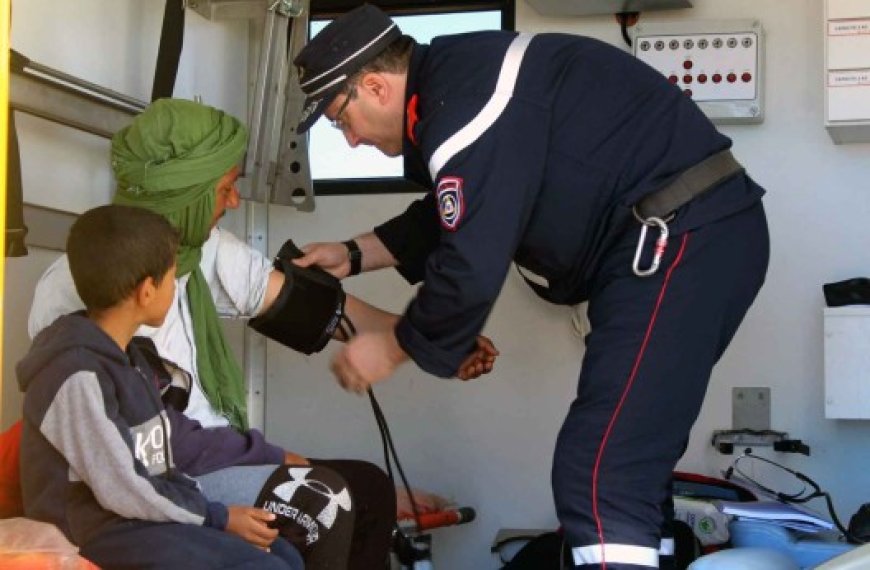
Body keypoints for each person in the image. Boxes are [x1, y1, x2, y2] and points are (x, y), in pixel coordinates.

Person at [290, 5, 770, 570]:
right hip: (694, 237)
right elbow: (458, 208)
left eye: (340, 119)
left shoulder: (465, 105)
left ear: (373, 86)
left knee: (601, 469)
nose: (348, 141)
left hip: (677, 239)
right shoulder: (461, 82)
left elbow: (471, 257)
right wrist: (350, 255)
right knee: (632, 466)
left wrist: (392, 346)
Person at [28, 98, 495, 569]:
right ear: (187, 192)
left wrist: (429, 339)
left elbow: (312, 310)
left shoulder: (202, 249)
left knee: (370, 488)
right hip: (174, 470)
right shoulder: (80, 293)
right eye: (226, 188)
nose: (234, 202)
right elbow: (131, 449)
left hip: (208, 452)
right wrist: (269, 467)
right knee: (324, 500)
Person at [18, 204, 303, 569]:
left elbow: (160, 463)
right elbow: (121, 485)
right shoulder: (76, 374)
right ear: (147, 291)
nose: (177, 287)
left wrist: (210, 512)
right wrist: (216, 517)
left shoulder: (132, 359)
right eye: (173, 277)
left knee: (282, 555)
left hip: (140, 520)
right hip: (96, 531)